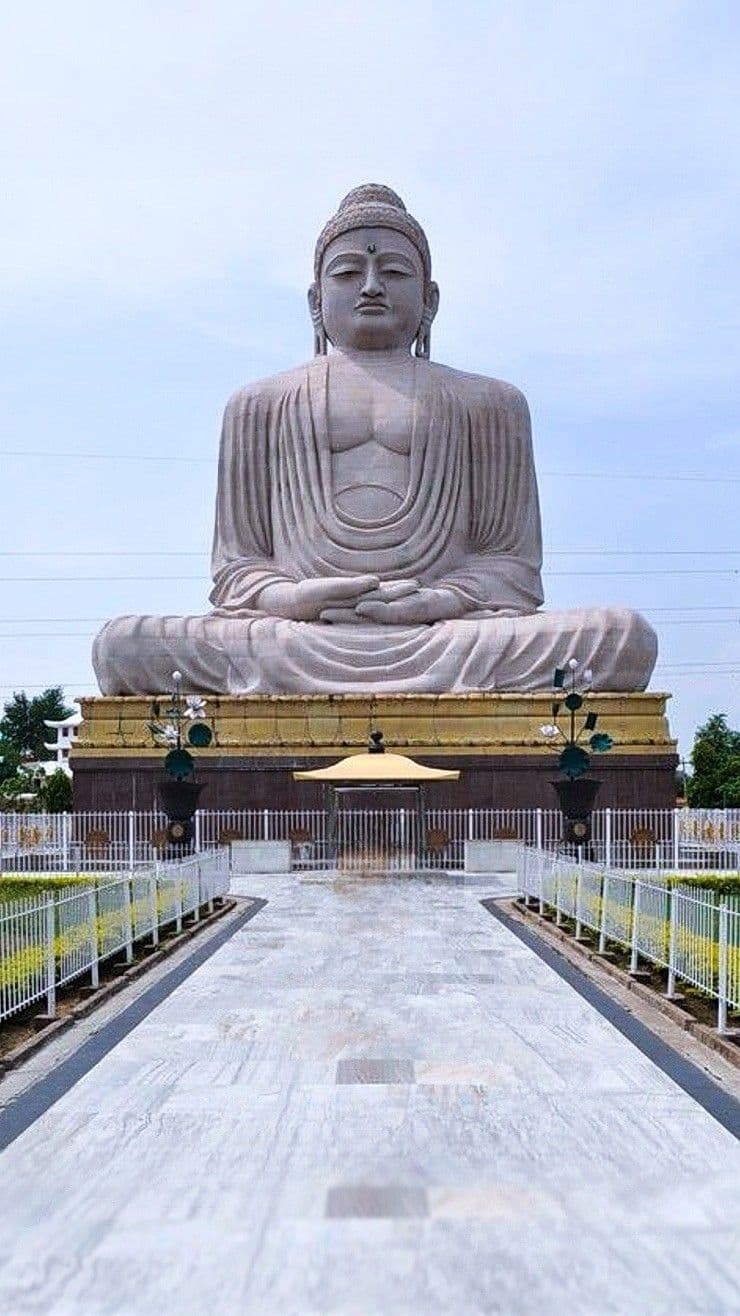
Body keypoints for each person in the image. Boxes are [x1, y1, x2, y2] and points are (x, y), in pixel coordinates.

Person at [94, 185, 656, 694]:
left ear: (430, 300)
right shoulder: (257, 405)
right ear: (316, 301)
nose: (369, 287)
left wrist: (433, 602)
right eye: (346, 274)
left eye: (392, 272)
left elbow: (510, 566)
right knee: (126, 647)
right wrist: (294, 598)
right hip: (296, 634)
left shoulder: (491, 403)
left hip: (448, 634)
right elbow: (239, 568)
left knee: (621, 638)